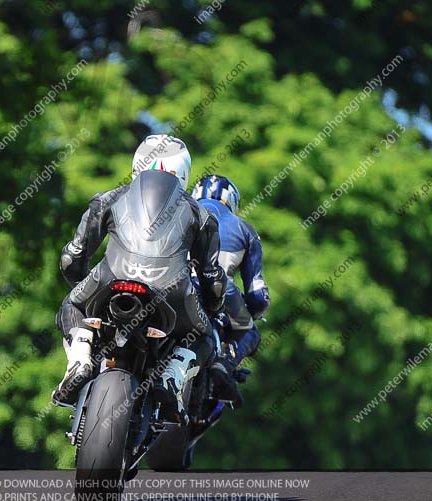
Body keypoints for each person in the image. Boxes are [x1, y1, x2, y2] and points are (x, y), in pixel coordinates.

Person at [53, 134, 227, 422]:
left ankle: (80, 358)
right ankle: (173, 374)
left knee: (71, 305)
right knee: (206, 335)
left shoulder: (108, 197)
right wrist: (213, 306)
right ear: (183, 173)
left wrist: (81, 286)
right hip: (173, 291)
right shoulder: (202, 214)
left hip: (110, 279)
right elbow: (213, 279)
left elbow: (72, 257)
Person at [190, 174, 270, 404]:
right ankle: (224, 364)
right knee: (250, 332)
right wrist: (254, 312)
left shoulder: (178, 211)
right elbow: (257, 293)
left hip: (169, 283)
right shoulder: (245, 229)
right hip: (220, 290)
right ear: (232, 201)